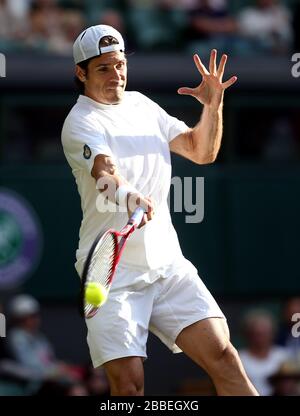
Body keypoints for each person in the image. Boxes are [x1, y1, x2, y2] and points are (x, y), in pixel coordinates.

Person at [61, 24, 258, 396]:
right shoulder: (80, 123)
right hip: (111, 276)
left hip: (168, 266)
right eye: (102, 68)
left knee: (225, 357)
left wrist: (213, 105)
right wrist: (132, 197)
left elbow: (201, 152)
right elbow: (105, 171)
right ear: (81, 73)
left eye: (119, 65)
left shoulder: (143, 105)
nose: (115, 74)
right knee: (129, 387)